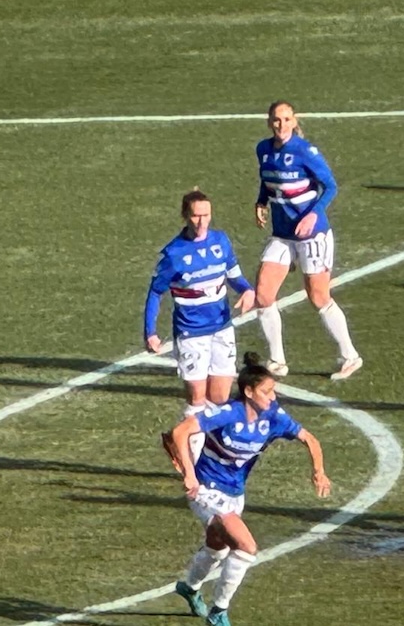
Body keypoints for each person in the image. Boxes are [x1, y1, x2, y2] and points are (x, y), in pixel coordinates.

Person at [166, 352, 331, 626]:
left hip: (235, 494)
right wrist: (190, 475)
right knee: (246, 547)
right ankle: (219, 611)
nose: (273, 398)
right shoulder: (228, 413)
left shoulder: (273, 417)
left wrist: (319, 472)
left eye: (273, 391)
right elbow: (180, 432)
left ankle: (190, 588)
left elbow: (310, 439)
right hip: (207, 490)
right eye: (267, 392)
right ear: (249, 391)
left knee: (217, 549)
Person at [145, 189, 255, 469]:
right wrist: (150, 331)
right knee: (197, 399)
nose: (201, 221)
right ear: (185, 216)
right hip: (192, 333)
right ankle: (191, 463)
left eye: (205, 214)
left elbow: (235, 277)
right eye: (195, 215)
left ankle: (183, 442)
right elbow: (156, 292)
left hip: (222, 329)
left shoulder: (221, 241)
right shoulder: (174, 254)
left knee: (218, 400)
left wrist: (248, 291)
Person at [253, 100, 362, 380]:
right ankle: (277, 360)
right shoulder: (263, 150)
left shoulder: (305, 151)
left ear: (294, 121)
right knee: (264, 294)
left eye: (286, 119)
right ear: (269, 122)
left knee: (318, 296)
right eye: (277, 120)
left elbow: (331, 186)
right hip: (282, 234)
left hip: (312, 234)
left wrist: (313, 215)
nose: (281, 125)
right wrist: (261, 202)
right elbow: (267, 181)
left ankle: (350, 355)